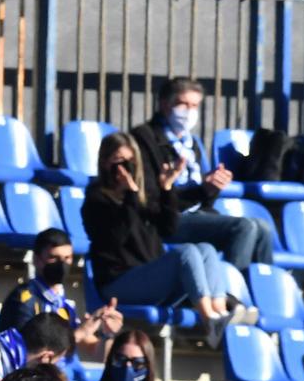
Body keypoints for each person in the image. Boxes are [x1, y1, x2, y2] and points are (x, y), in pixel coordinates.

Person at [84, 131, 253, 340]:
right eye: (119, 161)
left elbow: (168, 228)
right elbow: (117, 237)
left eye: (131, 161)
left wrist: (166, 189)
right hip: (118, 282)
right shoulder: (97, 199)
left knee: (205, 249)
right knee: (187, 252)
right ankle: (208, 320)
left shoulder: (141, 194)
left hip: (148, 276)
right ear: (105, 163)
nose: (126, 168)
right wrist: (129, 197)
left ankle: (219, 312)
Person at [129, 77, 276, 269]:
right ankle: (231, 293)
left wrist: (212, 186)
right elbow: (152, 198)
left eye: (195, 106)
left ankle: (260, 292)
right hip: (166, 220)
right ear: (165, 104)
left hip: (197, 214)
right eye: (183, 104)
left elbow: (203, 200)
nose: (189, 112)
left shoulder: (191, 143)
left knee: (262, 228)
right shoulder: (144, 138)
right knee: (243, 227)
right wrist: (201, 191)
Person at [0, 229, 125, 355]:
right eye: (53, 258)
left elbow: (96, 352)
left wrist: (107, 333)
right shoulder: (24, 300)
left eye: (67, 258)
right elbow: (28, 353)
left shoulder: (62, 303)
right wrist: (79, 333)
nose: (62, 264)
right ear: (36, 260)